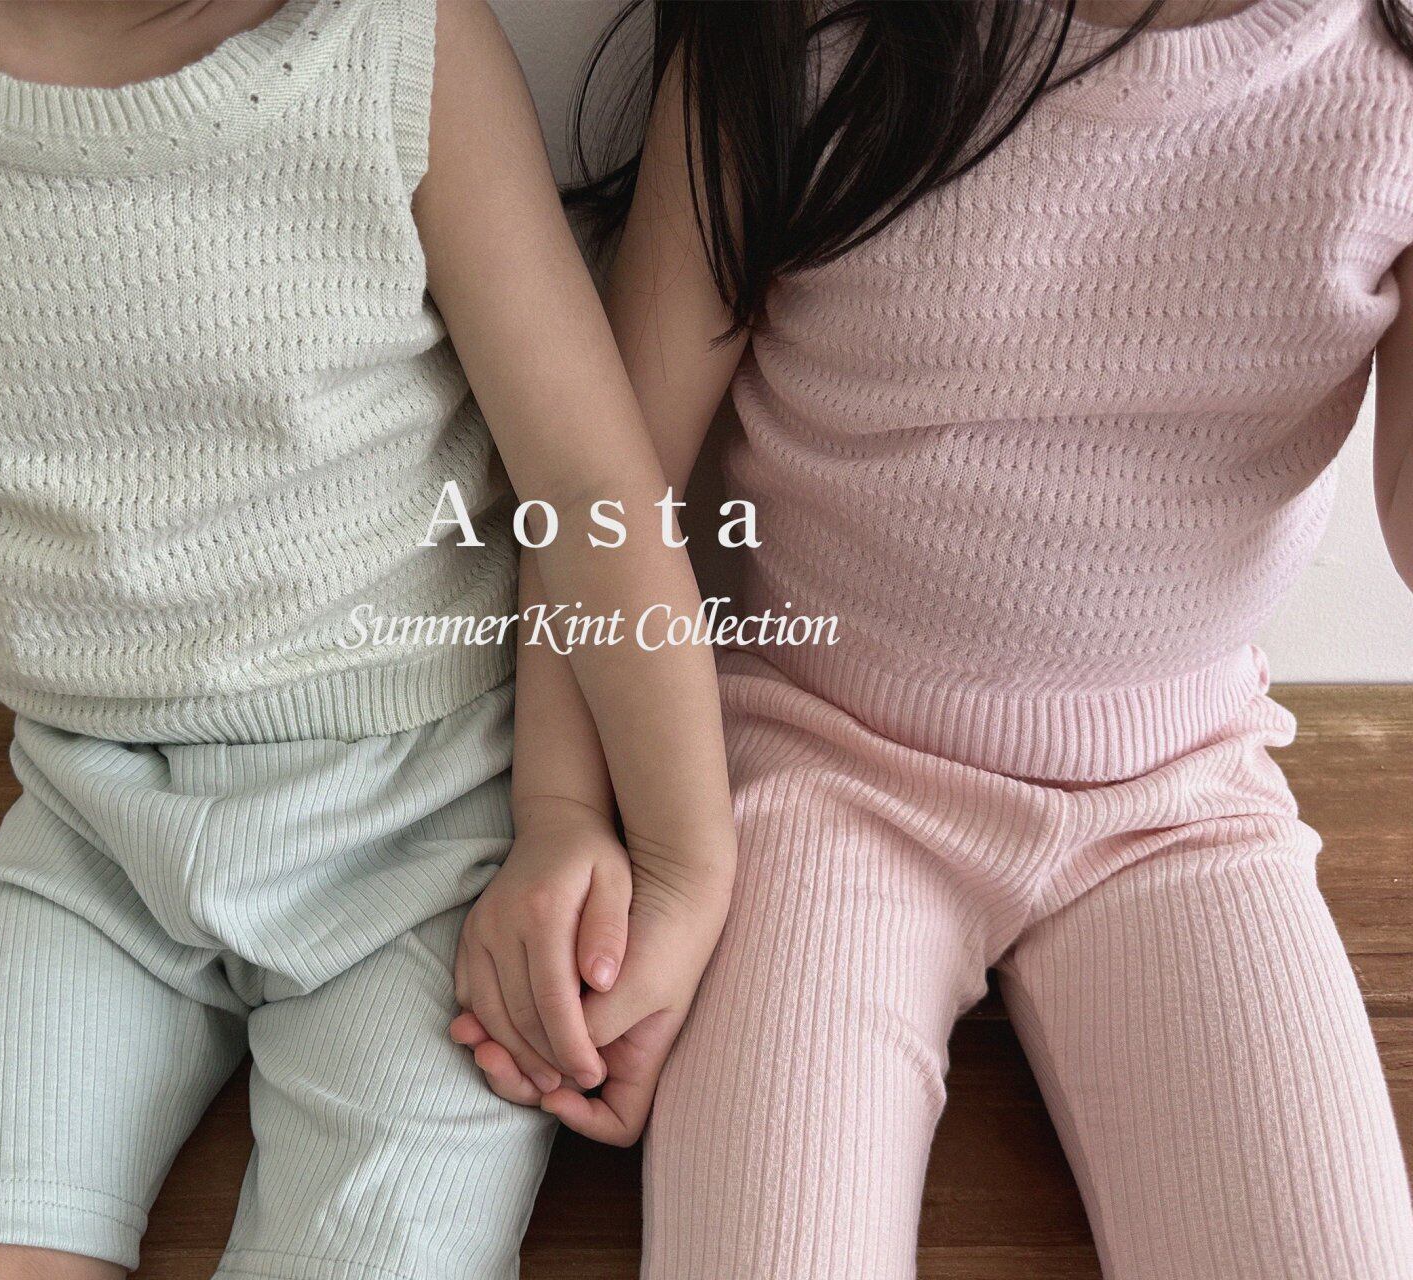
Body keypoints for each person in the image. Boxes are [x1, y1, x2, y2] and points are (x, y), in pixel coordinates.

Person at [0, 0, 738, 1275]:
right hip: (86, 813)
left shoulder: (401, 43)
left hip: (433, 831)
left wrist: (670, 859)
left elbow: (591, 486)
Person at [451, 1, 1413, 1275]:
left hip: (1188, 790)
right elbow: (604, 487)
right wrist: (568, 808)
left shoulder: (1389, 73)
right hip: (819, 769)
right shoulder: (794, 37)